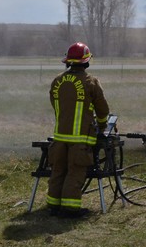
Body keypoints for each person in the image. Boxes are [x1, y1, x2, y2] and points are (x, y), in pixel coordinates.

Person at [47, 42, 110, 218]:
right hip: (80, 140)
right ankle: (69, 209)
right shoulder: (90, 82)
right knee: (75, 172)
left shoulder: (57, 81)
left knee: (58, 170)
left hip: (59, 137)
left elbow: (57, 105)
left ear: (68, 62)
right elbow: (102, 110)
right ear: (86, 62)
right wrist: (103, 126)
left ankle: (53, 206)